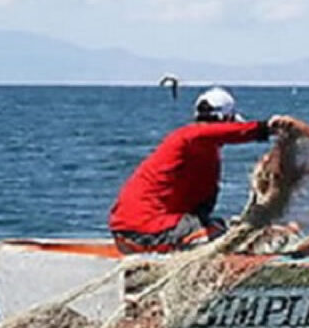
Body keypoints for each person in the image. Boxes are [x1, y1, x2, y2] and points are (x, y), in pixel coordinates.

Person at [109, 86, 298, 254]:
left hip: (142, 228)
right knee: (218, 237)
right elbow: (217, 132)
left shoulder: (201, 152)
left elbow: (200, 207)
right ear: (226, 120)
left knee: (220, 228)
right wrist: (266, 129)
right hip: (140, 230)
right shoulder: (189, 138)